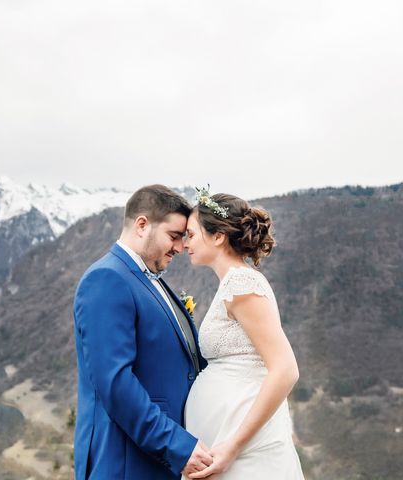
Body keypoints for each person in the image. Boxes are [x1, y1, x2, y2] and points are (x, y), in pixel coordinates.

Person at [73, 184, 213, 479]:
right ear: (141, 225)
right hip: (125, 462)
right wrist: (176, 446)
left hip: (156, 461)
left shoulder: (152, 280)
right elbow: (116, 383)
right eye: (174, 236)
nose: (180, 247)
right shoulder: (106, 279)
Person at [183, 187, 305, 479]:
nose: (184, 242)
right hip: (224, 438)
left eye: (191, 233)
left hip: (244, 449)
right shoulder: (230, 284)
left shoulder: (242, 284)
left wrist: (233, 445)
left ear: (217, 236)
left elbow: (285, 370)